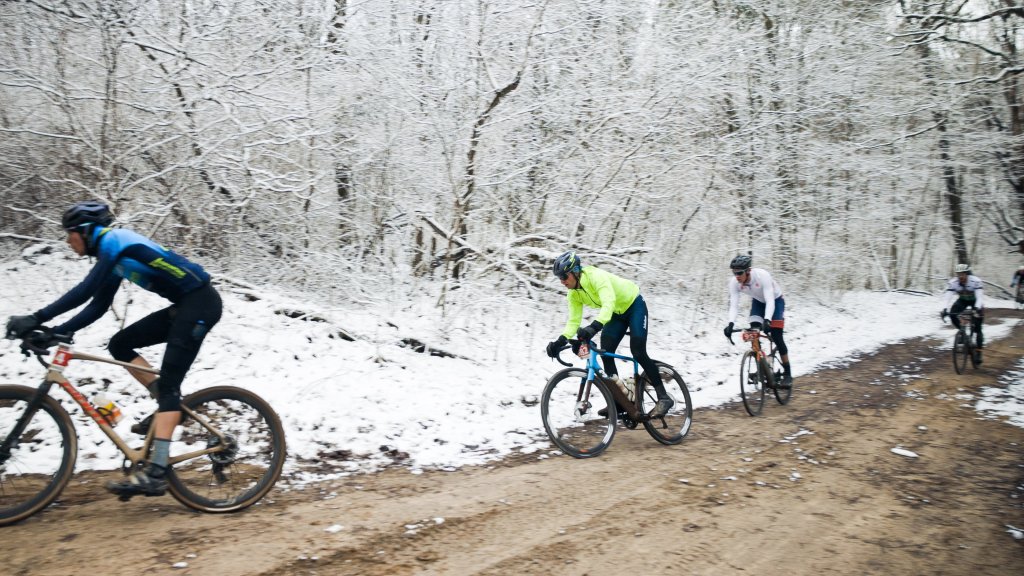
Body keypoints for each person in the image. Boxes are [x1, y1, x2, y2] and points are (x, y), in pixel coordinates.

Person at [5, 201, 222, 498]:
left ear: (85, 230)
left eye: (70, 234)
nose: (69, 242)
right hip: (186, 306)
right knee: (120, 344)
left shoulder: (114, 241)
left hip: (200, 304)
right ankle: (165, 403)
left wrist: (38, 317)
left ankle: (157, 472)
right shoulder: (116, 257)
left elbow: (85, 289)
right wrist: (59, 332)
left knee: (172, 386)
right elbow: (98, 305)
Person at [544, 251, 674, 418]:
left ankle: (663, 397)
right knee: (606, 352)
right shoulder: (573, 294)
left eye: (564, 276)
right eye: (559, 278)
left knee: (638, 351)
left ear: (575, 271)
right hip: (616, 315)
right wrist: (560, 341)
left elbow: (608, 303)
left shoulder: (595, 276)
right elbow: (573, 321)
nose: (562, 281)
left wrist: (594, 327)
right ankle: (620, 401)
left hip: (634, 305)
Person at [723, 255, 792, 388]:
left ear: (748, 271)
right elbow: (734, 305)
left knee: (777, 336)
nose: (736, 276)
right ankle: (763, 366)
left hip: (775, 301)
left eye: (739, 273)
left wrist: (767, 320)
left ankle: (788, 373)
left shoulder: (762, 276)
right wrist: (730, 324)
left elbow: (770, 300)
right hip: (759, 302)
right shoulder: (734, 283)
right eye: (734, 273)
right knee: (754, 332)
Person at [941, 263, 984, 360]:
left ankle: (979, 352)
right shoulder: (953, 282)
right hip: (963, 300)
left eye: (963, 274)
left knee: (978, 328)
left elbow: (979, 297)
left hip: (975, 301)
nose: (961, 276)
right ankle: (962, 331)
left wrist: (976, 308)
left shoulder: (975, 281)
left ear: (967, 274)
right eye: (958, 274)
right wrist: (944, 309)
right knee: (952, 314)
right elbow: (947, 297)